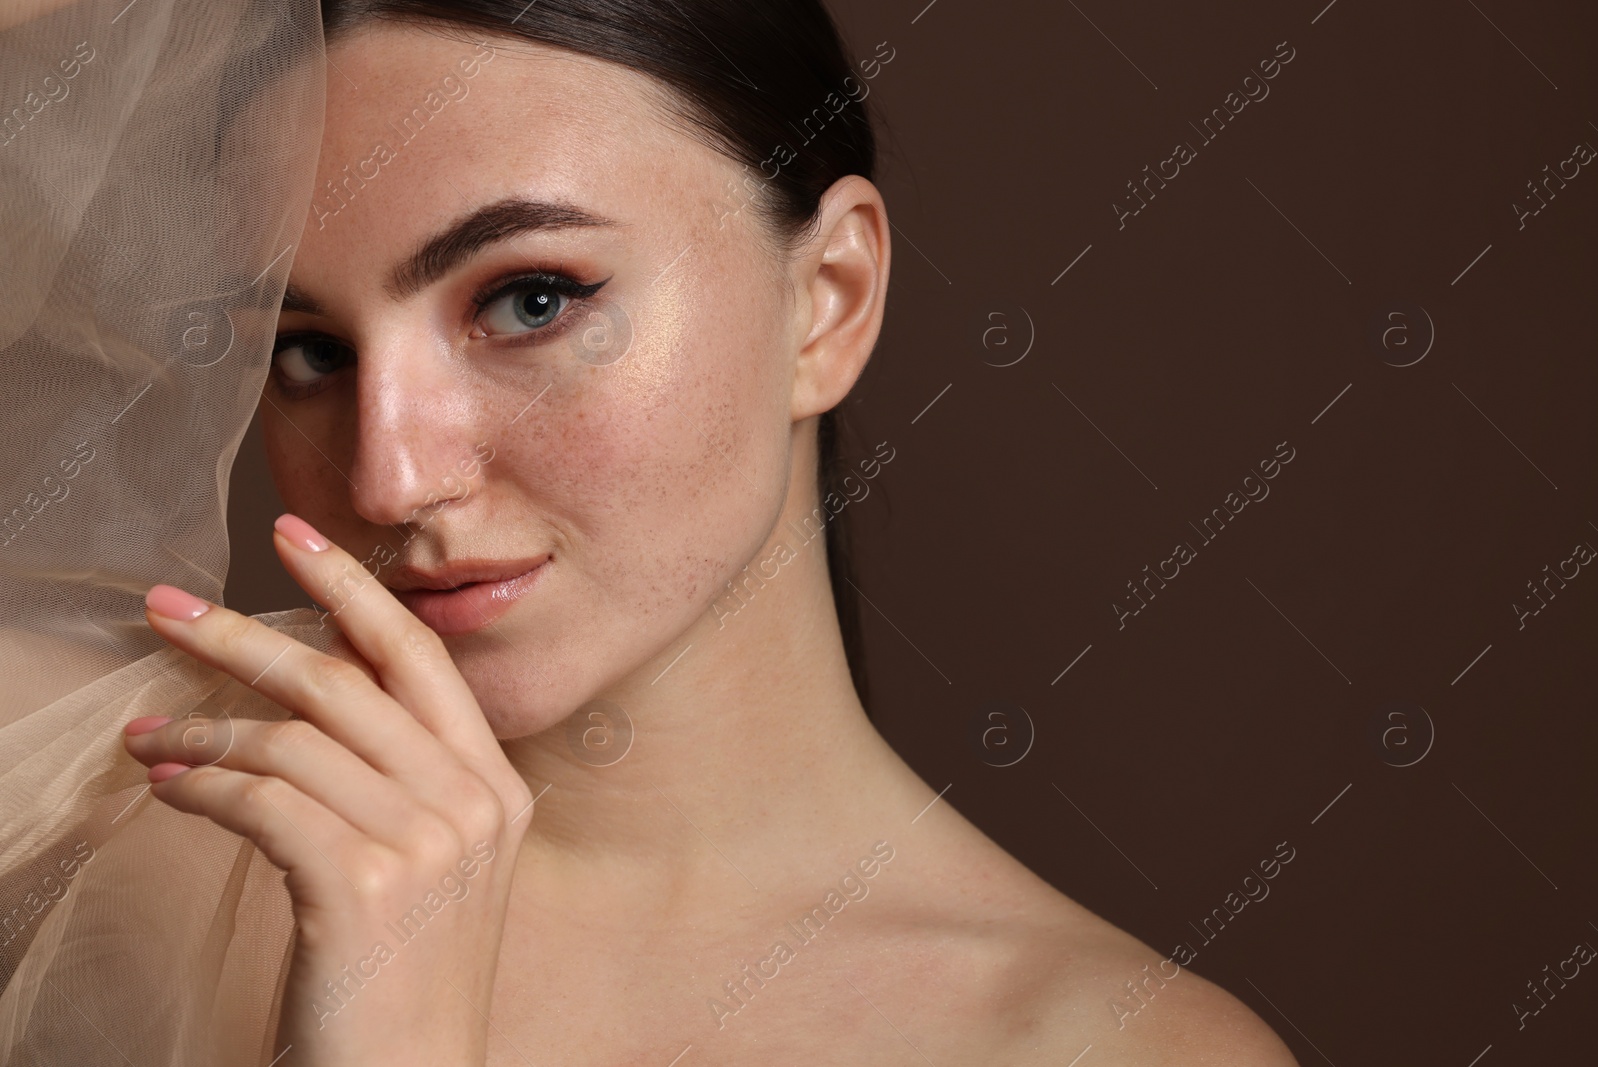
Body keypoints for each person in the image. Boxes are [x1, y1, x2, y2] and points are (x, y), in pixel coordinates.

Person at [109, 1, 1302, 1062]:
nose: (389, 475)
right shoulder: (109, 855)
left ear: (826, 299)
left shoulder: (1114, 1044)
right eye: (305, 348)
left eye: (532, 300)